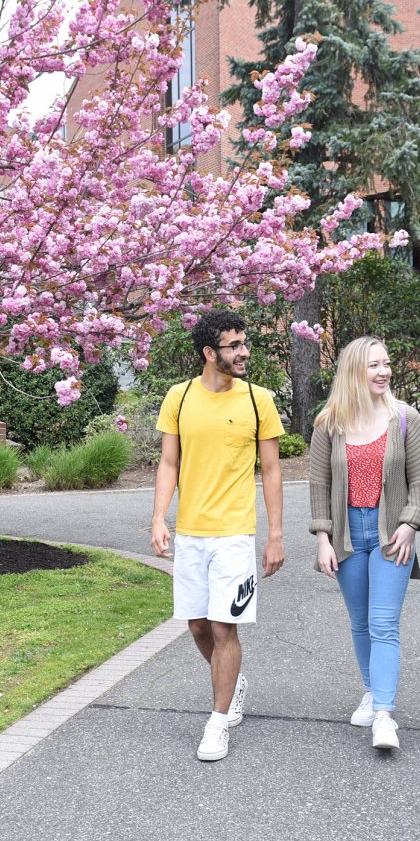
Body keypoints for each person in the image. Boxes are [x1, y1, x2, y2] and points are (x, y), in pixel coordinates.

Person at [151, 309, 285, 762]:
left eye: (245, 343)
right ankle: (233, 680)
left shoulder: (257, 400)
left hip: (234, 533)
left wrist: (275, 535)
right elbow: (169, 463)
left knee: (224, 627)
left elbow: (271, 469)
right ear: (210, 353)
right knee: (197, 625)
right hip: (191, 532)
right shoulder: (179, 396)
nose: (245, 352)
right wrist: (158, 519)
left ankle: (217, 720)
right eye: (234, 345)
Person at [308, 336, 420, 751]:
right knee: (360, 622)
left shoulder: (404, 418)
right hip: (346, 534)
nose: (384, 372)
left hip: (389, 533)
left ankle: (384, 716)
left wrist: (411, 524)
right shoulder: (329, 423)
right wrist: (323, 538)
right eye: (374, 365)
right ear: (353, 372)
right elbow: (319, 484)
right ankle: (371, 689)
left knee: (383, 623)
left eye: (387, 364)